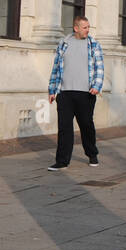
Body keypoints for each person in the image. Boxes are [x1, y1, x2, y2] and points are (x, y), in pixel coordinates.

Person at [47, 15, 105, 171]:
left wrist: (97, 86)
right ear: (76, 28)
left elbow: (99, 68)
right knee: (64, 127)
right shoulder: (64, 43)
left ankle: (92, 154)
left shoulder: (93, 45)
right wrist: (52, 90)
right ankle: (62, 161)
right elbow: (56, 67)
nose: (88, 30)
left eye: (88, 27)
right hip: (65, 93)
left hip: (86, 93)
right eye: (85, 27)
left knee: (86, 125)